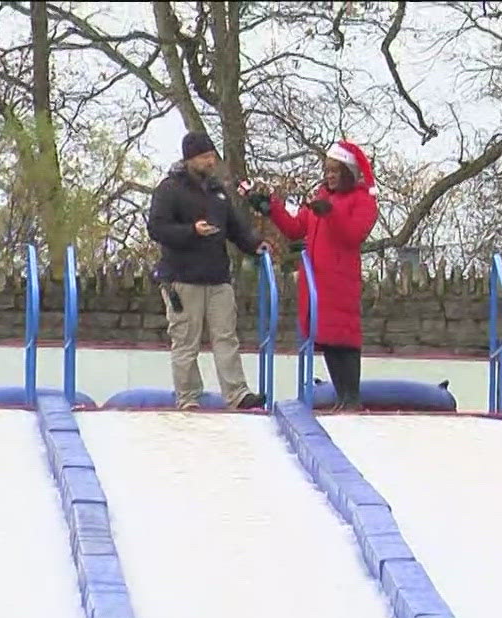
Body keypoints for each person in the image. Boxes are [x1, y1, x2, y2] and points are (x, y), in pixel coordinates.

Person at [249, 139, 377, 411]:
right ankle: (344, 399)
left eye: (335, 171)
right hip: (316, 281)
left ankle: (351, 398)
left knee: (344, 338)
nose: (329, 175)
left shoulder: (362, 200)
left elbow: (353, 235)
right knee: (328, 339)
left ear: (347, 173)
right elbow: (296, 228)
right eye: (327, 170)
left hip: (340, 280)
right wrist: (271, 208)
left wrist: (330, 215)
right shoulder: (321, 197)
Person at [146, 131, 268, 410]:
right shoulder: (169, 189)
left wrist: (255, 245)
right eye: (205, 157)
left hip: (217, 277)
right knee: (185, 341)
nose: (211, 162)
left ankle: (238, 394)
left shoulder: (218, 192)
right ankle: (188, 397)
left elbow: (235, 229)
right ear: (190, 159)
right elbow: (157, 227)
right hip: (182, 277)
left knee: (226, 337)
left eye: (212, 156)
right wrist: (192, 231)